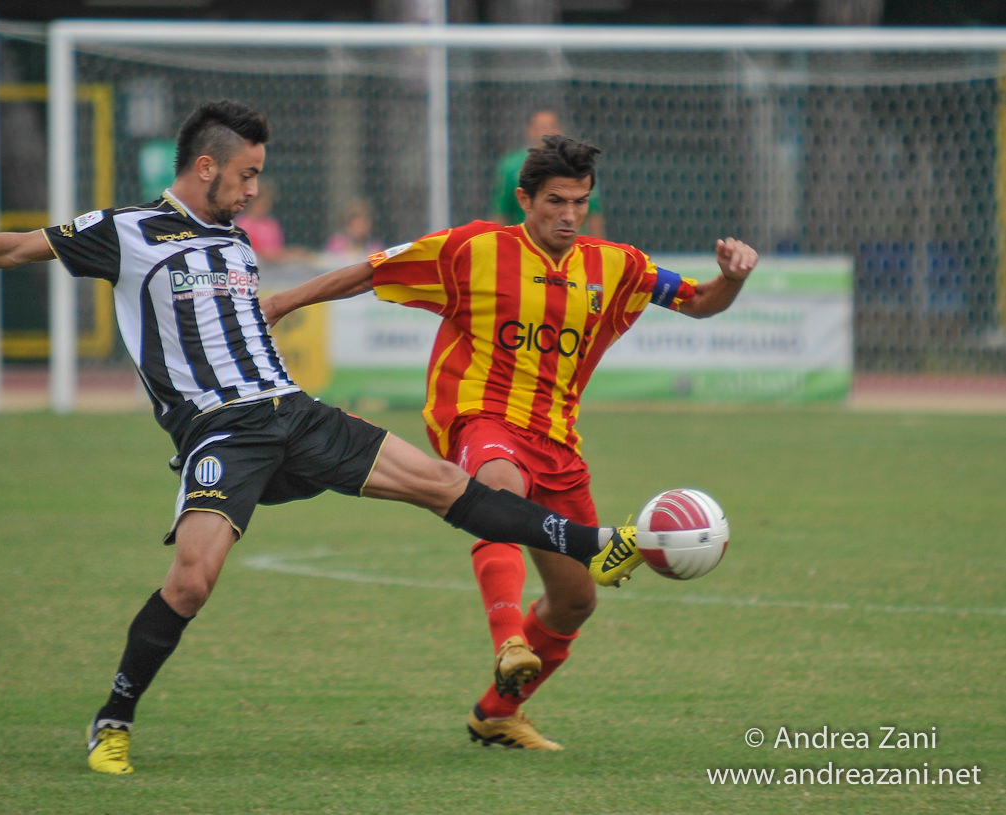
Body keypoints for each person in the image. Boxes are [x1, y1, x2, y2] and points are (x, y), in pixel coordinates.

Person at [0, 100, 645, 775]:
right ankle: (112, 722)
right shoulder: (126, 232)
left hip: (293, 413)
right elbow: (14, 245)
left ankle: (595, 542)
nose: (255, 188)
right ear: (206, 167)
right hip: (220, 434)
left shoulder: (237, 243)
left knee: (445, 484)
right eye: (247, 174)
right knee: (192, 579)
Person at [264, 134, 758, 751]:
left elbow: (701, 301)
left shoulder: (618, 264)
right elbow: (373, 270)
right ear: (524, 199)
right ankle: (509, 644)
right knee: (499, 486)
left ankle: (496, 714)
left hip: (557, 442)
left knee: (576, 601)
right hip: (478, 417)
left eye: (580, 201)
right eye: (556, 201)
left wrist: (730, 278)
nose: (570, 215)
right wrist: (283, 300)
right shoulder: (472, 249)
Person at [490, 108, 605, 239]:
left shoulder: (578, 164)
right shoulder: (511, 166)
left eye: (552, 126)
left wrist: (598, 244)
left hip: (573, 245)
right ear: (529, 131)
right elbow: (501, 211)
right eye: (541, 127)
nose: (547, 132)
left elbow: (595, 212)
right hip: (530, 244)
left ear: (560, 130)